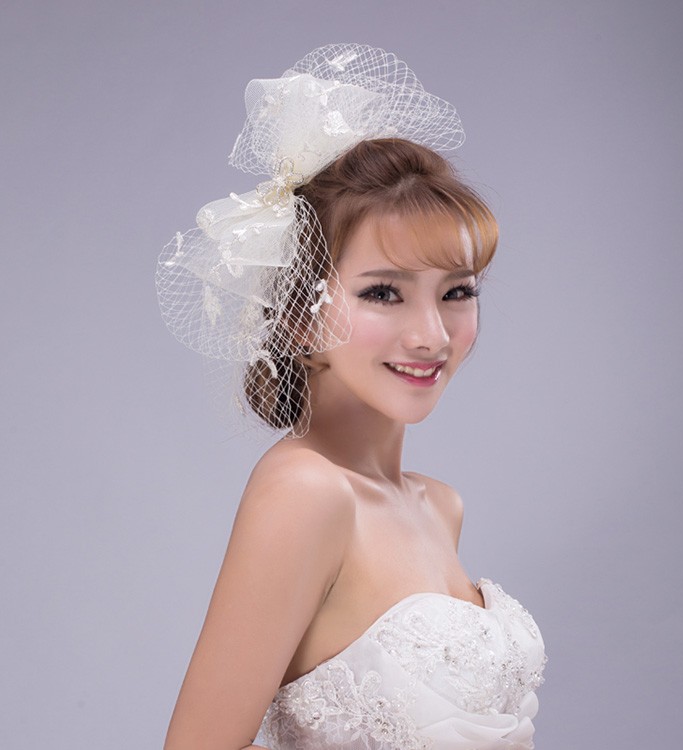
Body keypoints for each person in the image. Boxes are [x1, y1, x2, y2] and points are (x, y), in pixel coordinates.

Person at [157, 43, 546, 750]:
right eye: (383, 293)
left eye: (457, 292)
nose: (432, 335)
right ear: (300, 317)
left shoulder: (441, 507)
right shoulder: (306, 493)